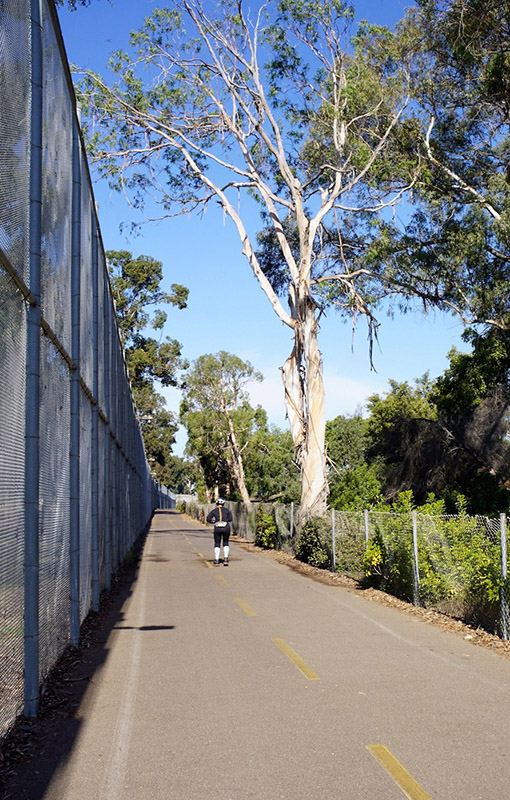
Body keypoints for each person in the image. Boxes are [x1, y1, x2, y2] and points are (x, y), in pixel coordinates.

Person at [206, 498, 233, 566]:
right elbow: (230, 519)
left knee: (217, 543)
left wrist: (214, 522)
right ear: (223, 504)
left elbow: (208, 519)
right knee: (225, 542)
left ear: (216, 504)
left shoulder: (214, 511)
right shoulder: (227, 510)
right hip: (226, 527)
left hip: (217, 528)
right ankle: (226, 559)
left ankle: (216, 560)